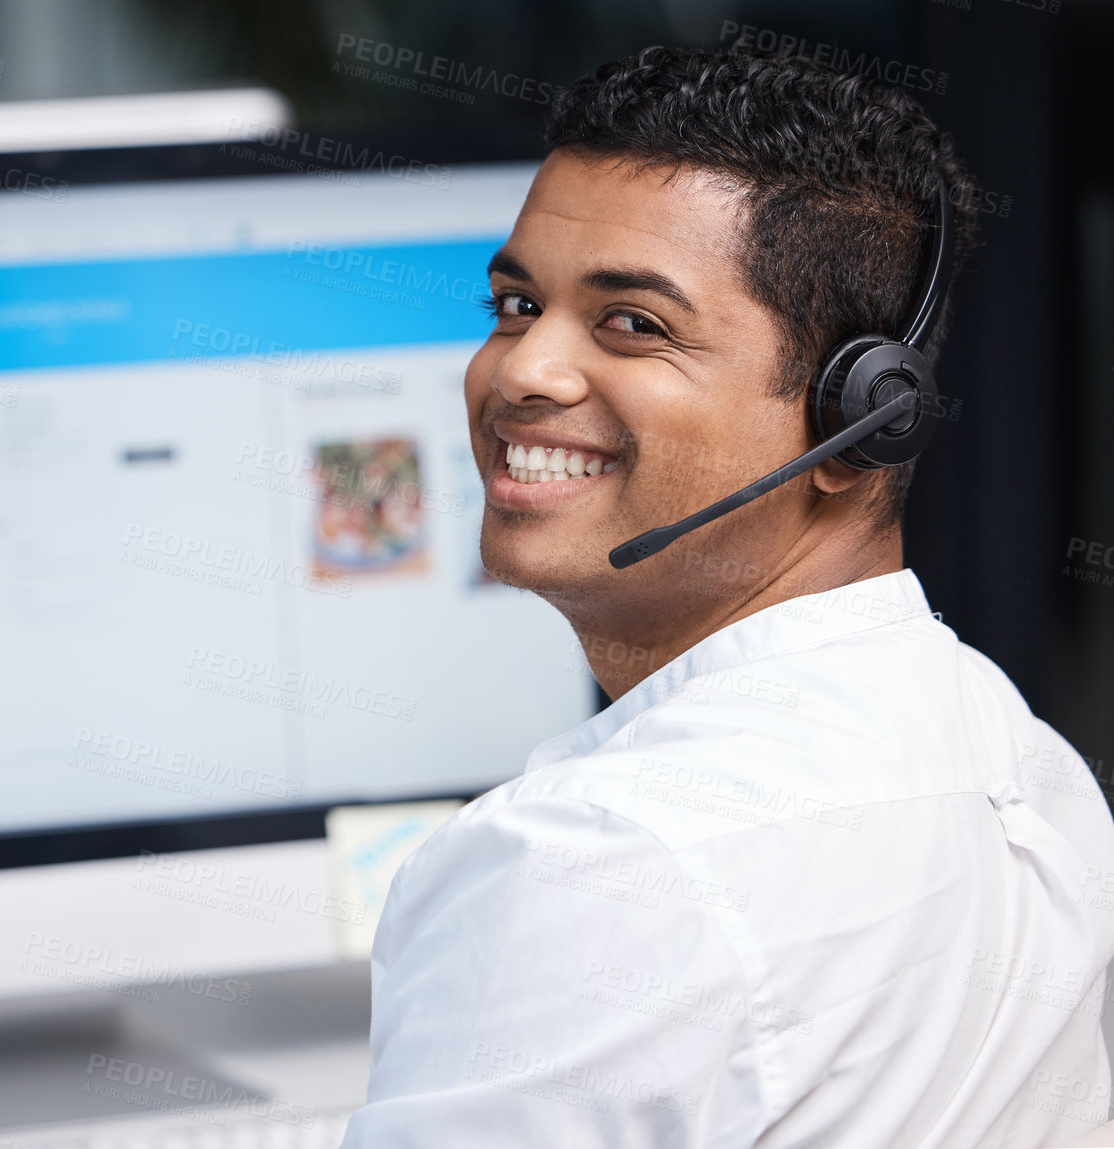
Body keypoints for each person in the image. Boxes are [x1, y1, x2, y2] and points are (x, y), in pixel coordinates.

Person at [340, 45, 1114, 1148]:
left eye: (633, 323)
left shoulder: (594, 865)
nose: (519, 371)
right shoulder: (1020, 764)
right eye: (517, 303)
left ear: (861, 422)